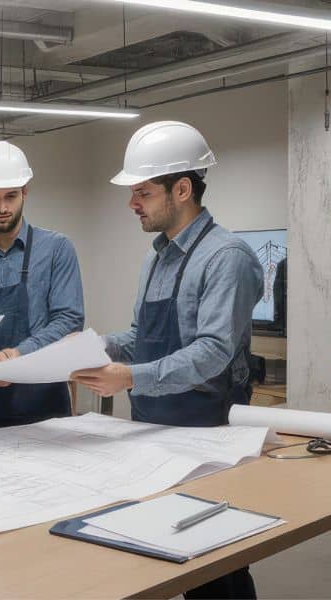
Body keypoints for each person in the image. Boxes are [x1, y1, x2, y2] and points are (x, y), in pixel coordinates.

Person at [71, 121, 264, 599]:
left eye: (143, 192)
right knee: (160, 551)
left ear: (182, 189)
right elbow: (142, 335)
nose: (132, 204)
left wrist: (130, 377)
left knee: (216, 568)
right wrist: (93, 348)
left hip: (208, 433)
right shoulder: (155, 258)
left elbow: (213, 352)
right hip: (152, 430)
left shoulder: (227, 257)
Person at [0, 141, 84, 432]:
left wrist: (18, 355)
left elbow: (69, 318)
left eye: (10, 196)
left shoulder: (57, 249)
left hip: (46, 404)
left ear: (25, 192)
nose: (2, 207)